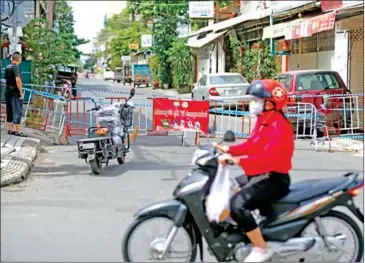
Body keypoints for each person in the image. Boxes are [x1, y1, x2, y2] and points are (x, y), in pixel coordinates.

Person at [216, 79, 294, 262]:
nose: (253, 103)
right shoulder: (265, 120)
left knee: (237, 205)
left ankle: (261, 247)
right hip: (261, 173)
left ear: (271, 102)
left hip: (274, 178)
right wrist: (228, 150)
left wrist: (235, 160)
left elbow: (267, 159)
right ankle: (247, 232)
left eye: (257, 100)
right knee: (230, 188)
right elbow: (252, 145)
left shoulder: (279, 126)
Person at [5, 52, 27, 137]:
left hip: (8, 91)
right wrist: (20, 92)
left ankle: (10, 129)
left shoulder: (8, 66)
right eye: (21, 58)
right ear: (19, 59)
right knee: (17, 110)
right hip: (15, 92)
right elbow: (18, 80)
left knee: (9, 110)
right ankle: (17, 131)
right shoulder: (16, 67)